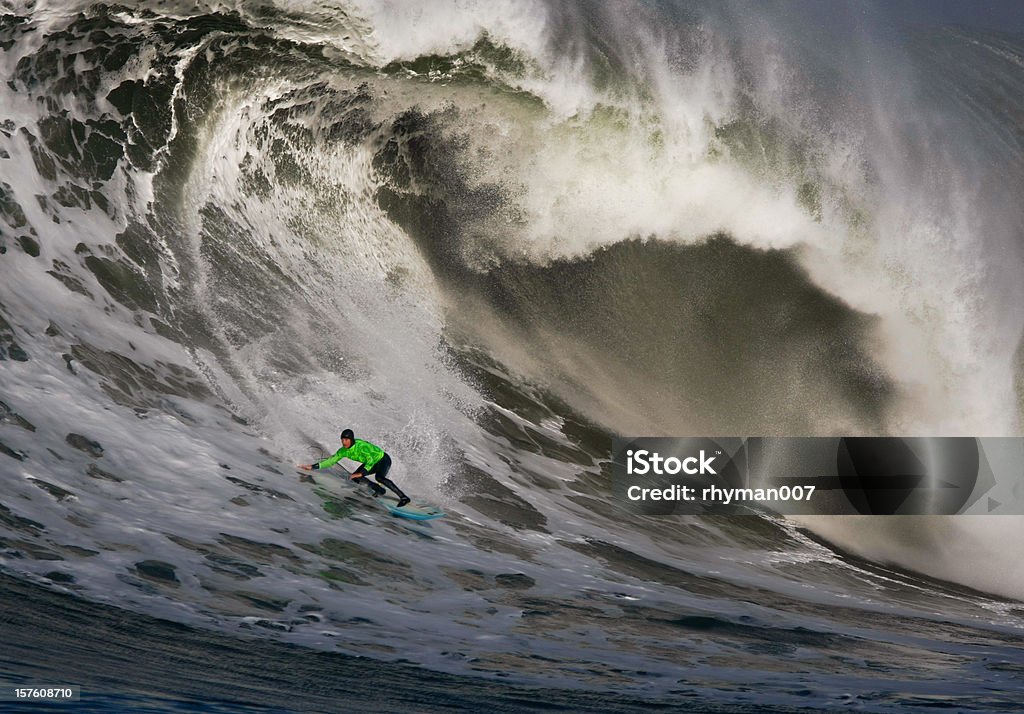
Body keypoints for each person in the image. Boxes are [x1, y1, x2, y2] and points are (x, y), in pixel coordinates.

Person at [299, 429, 410, 507]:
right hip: (371, 462)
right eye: (342, 439)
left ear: (351, 439)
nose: (344, 442)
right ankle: (379, 490)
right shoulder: (343, 450)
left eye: (346, 440)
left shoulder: (361, 446)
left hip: (382, 459)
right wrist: (312, 467)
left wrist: (361, 473)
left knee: (379, 477)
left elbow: (370, 460)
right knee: (355, 477)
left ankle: (403, 497)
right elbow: (331, 461)